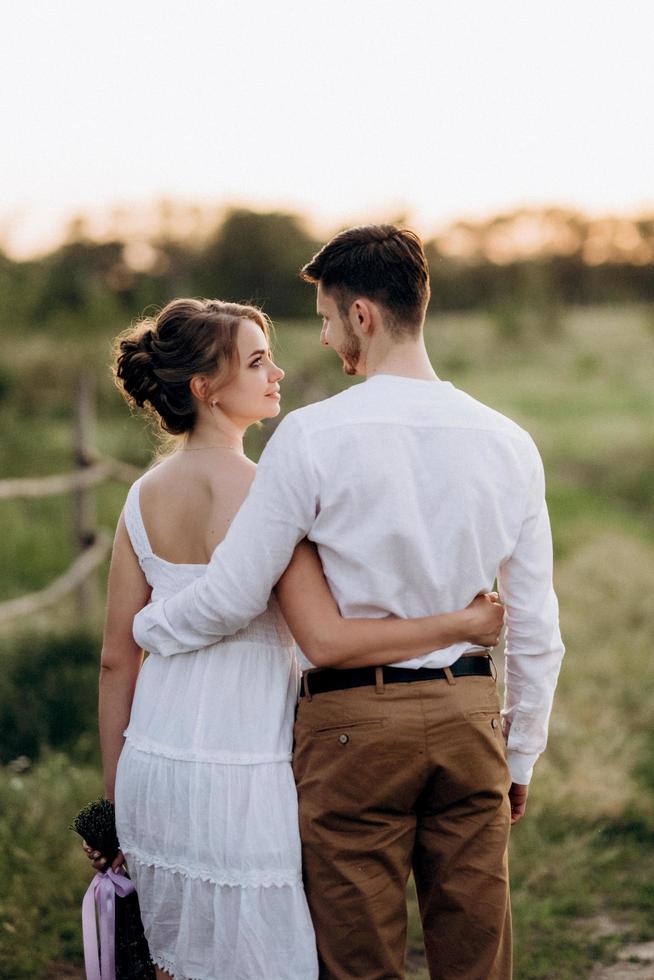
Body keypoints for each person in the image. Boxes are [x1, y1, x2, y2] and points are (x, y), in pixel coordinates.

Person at [132, 228, 565, 980]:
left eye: (328, 321)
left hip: (351, 730)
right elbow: (534, 623)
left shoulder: (310, 438)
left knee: (359, 959)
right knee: (478, 956)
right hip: (470, 718)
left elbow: (235, 592)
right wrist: (520, 750)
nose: (327, 340)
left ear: (362, 315)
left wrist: (152, 623)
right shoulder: (509, 442)